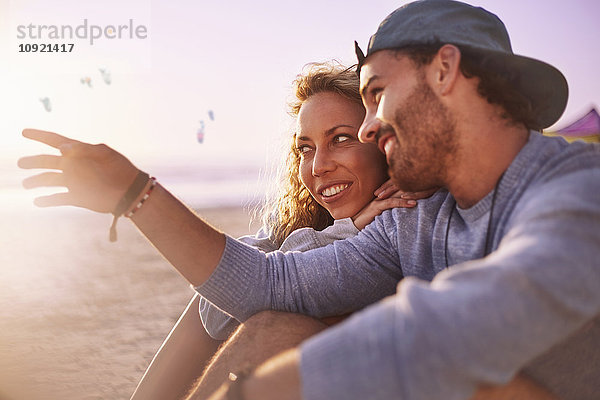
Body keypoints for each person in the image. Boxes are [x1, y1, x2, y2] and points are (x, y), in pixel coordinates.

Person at [18, 1, 600, 399]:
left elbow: (454, 329)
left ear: (445, 69)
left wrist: (251, 393)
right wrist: (134, 192)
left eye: (376, 94)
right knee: (276, 327)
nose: (370, 126)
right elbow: (272, 286)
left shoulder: (574, 188)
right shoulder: (415, 217)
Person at [128, 62, 430, 400]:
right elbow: (215, 308)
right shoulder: (303, 217)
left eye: (341, 139)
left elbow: (266, 289)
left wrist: (130, 193)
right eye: (306, 148)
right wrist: (347, 227)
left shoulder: (403, 220)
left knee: (274, 327)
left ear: (384, 143)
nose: (318, 166)